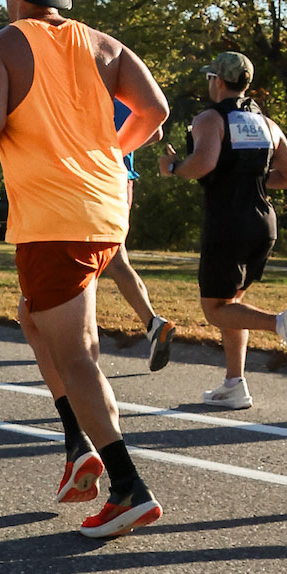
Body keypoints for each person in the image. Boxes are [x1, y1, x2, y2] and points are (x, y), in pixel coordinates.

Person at [0, 0, 169, 539]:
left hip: (53, 219)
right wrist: (110, 151)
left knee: (76, 355)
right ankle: (79, 443)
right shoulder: (105, 45)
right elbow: (154, 109)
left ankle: (128, 486)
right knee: (34, 319)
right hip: (104, 211)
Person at [159, 51, 287, 407]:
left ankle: (282, 323)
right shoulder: (266, 123)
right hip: (263, 223)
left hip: (228, 223)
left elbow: (202, 164)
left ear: (217, 81)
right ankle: (234, 384)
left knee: (215, 309)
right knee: (232, 303)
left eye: (210, 78)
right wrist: (248, 179)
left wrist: (173, 167)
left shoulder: (210, 119)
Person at [106, 98, 175, 371]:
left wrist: (111, 148)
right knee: (112, 258)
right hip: (124, 181)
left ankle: (152, 323)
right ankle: (153, 325)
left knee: (104, 259)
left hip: (100, 179)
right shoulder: (126, 95)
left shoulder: (95, 90)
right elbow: (155, 132)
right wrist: (125, 145)